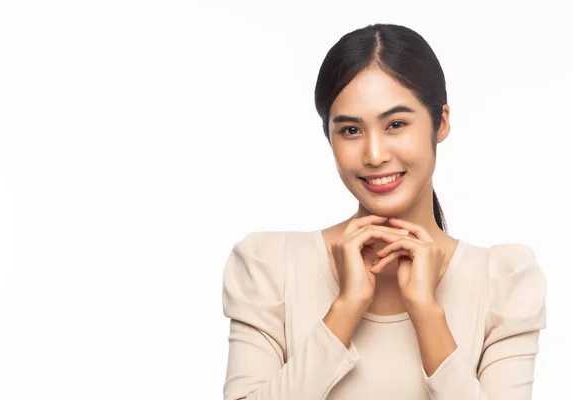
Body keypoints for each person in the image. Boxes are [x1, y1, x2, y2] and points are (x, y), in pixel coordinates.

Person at [221, 23, 547, 399]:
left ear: (440, 123)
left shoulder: (504, 281)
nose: (375, 155)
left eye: (396, 124)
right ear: (329, 136)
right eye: (350, 131)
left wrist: (427, 313)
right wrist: (345, 309)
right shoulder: (269, 266)